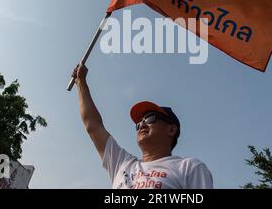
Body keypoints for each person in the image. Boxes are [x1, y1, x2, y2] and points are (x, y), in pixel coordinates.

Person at [73, 64, 213, 189]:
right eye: (139, 123)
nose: (142, 124)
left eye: (150, 118)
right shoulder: (121, 164)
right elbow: (94, 126)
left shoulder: (189, 167)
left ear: (171, 129)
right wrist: (81, 82)